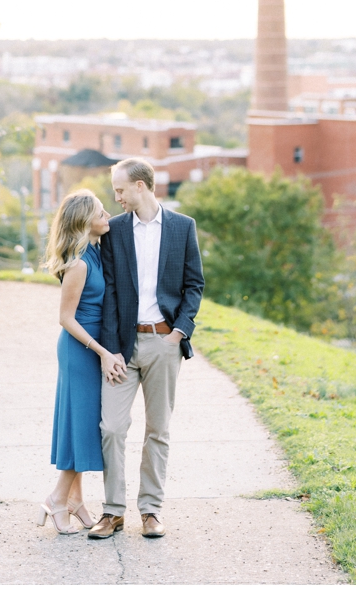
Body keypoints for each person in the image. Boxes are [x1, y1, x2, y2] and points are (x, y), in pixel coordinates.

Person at [87, 158, 205, 540]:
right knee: (112, 428)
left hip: (164, 343)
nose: (115, 197)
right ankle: (112, 511)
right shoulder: (114, 231)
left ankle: (151, 510)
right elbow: (110, 296)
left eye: (120, 190)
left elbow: (194, 285)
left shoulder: (182, 228)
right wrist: (110, 350)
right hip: (122, 346)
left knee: (158, 430)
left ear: (141, 186)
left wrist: (179, 333)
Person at [38, 189, 126, 534]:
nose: (108, 217)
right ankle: (57, 500)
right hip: (80, 350)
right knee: (83, 427)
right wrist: (102, 352)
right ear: (84, 221)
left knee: (80, 426)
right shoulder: (78, 263)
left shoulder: (97, 252)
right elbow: (66, 318)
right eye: (101, 213)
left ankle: (75, 502)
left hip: (92, 348)